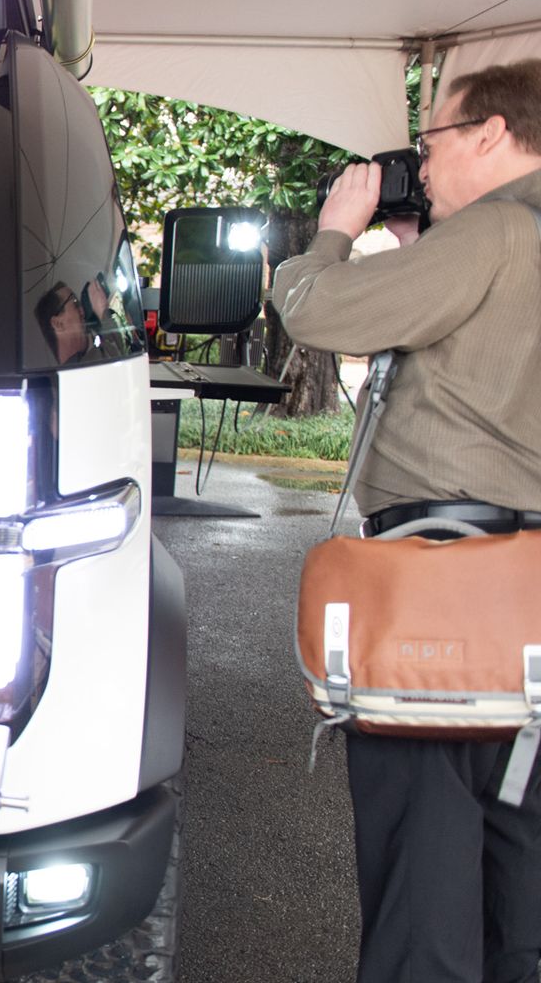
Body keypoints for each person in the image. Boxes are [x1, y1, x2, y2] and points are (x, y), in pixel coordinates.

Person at [271, 58, 541, 983]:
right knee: (523, 881)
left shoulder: (500, 231)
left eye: (431, 142)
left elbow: (319, 311)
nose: (420, 164)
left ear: (491, 135)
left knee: (423, 882)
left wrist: (334, 236)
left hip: (448, 591)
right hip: (529, 598)